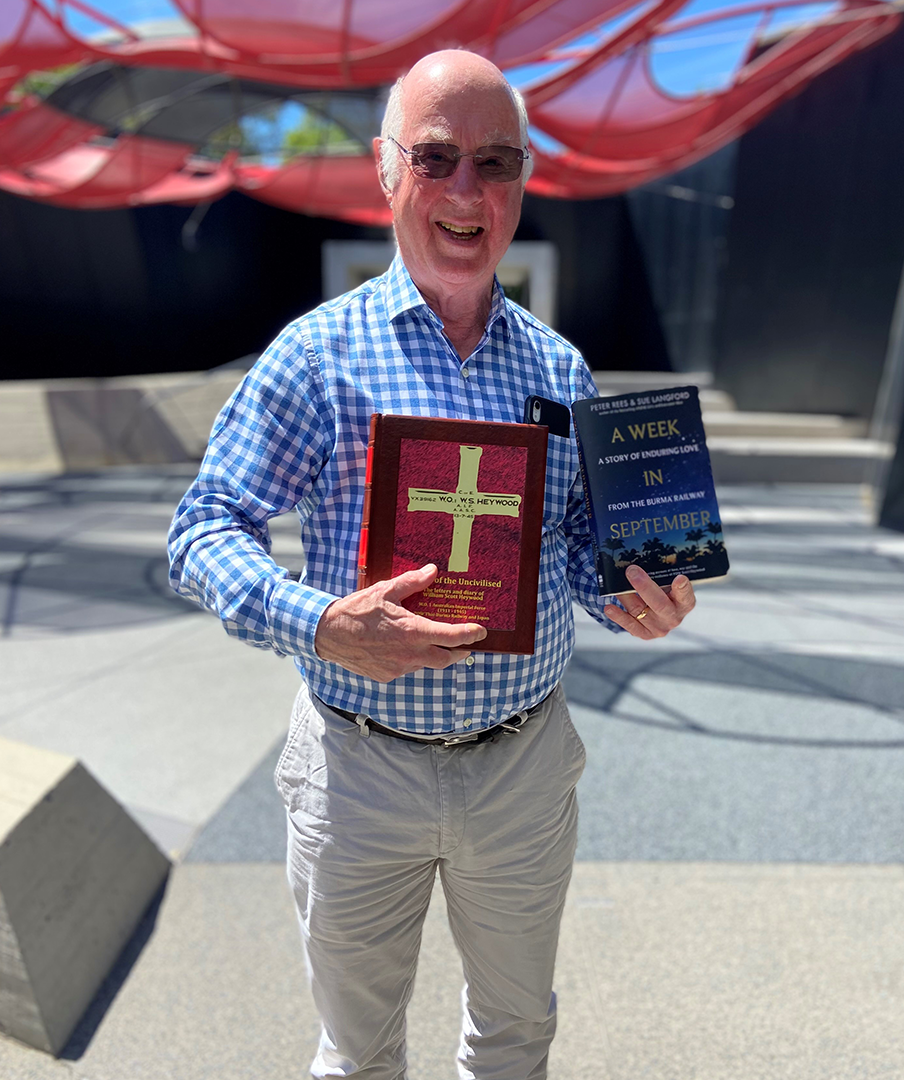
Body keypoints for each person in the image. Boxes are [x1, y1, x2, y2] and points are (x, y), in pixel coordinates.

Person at [166, 50, 692, 1080]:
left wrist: (636, 592)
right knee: (358, 1054)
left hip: (521, 767)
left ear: (525, 179)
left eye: (495, 161)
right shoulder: (316, 359)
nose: (465, 191)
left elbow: (579, 547)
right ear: (384, 169)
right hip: (358, 770)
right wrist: (319, 623)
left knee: (514, 1040)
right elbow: (204, 525)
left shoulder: (559, 368)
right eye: (436, 156)